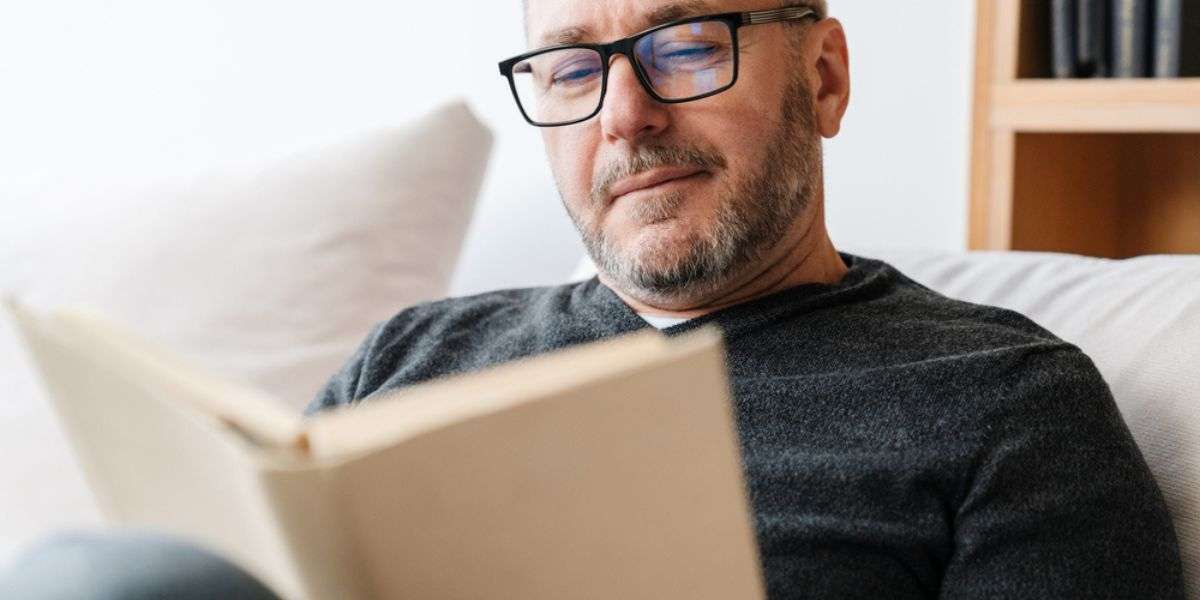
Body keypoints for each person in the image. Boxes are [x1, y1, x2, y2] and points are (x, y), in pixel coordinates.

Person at [1, 1, 1184, 598]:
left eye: (680, 44)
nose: (624, 116)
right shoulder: (417, 351)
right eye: (572, 67)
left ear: (820, 75)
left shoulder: (999, 400)